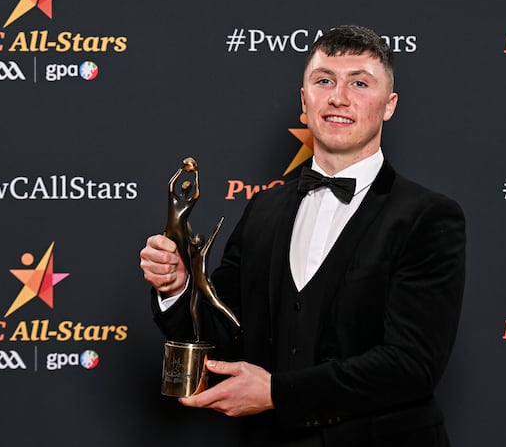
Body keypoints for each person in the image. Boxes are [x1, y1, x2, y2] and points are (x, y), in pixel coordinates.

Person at [140, 25, 466, 446]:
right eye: (324, 80)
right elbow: (221, 334)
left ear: (389, 105)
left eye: (360, 83)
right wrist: (178, 286)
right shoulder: (264, 210)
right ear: (304, 99)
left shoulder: (429, 217)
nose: (339, 97)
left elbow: (411, 366)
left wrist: (276, 394)